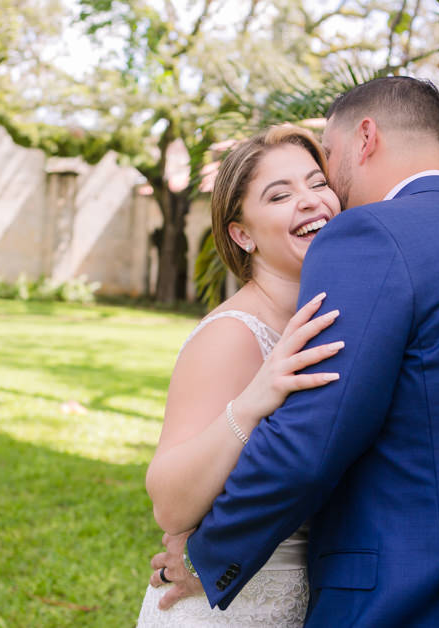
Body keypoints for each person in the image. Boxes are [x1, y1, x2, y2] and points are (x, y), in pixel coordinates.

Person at [156, 76, 439, 627]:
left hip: (412, 598)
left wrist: (208, 552)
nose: (327, 186)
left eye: (326, 160)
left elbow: (313, 440)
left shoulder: (370, 236)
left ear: (365, 138)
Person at [136, 124, 345, 626]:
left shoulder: (332, 313)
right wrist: (254, 400)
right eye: (280, 195)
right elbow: (168, 502)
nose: (310, 201)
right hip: (228, 610)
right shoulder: (232, 334)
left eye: (318, 183)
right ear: (242, 233)